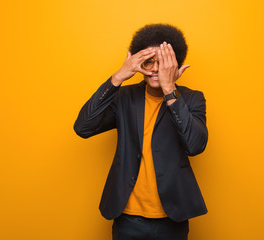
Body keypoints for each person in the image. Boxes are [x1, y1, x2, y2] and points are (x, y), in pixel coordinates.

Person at [73, 23, 208, 240]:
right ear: (139, 62)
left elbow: (195, 145)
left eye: (162, 63)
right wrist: (118, 77)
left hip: (173, 217)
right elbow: (83, 127)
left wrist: (170, 90)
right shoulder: (125, 97)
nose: (155, 68)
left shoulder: (192, 99)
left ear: (175, 64)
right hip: (127, 217)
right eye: (149, 61)